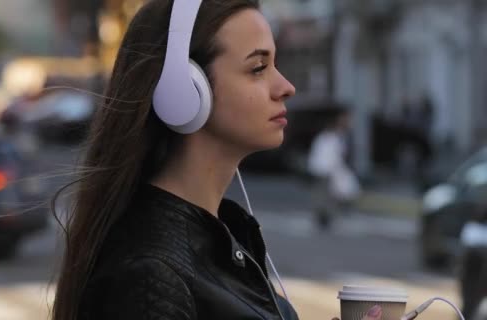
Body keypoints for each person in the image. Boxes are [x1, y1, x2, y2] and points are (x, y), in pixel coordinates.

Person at [51, 0, 382, 319]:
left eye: (275, 65)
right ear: (184, 93)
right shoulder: (151, 276)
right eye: (258, 68)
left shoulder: (223, 238)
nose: (286, 87)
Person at [308, 108, 360, 230]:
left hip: (328, 169)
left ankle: (326, 216)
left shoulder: (335, 137)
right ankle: (324, 217)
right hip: (325, 169)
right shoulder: (329, 137)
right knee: (325, 194)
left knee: (329, 194)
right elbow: (328, 155)